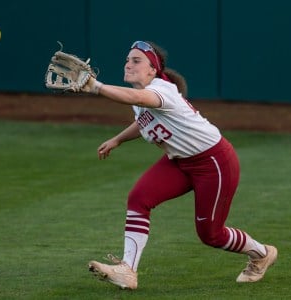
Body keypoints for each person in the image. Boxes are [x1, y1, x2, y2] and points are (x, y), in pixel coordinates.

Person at [81, 41, 277, 290]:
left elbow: (137, 97)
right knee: (139, 198)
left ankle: (262, 254)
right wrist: (118, 139)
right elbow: (143, 120)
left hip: (214, 162)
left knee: (211, 234)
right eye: (127, 59)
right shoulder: (143, 96)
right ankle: (127, 271)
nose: (128, 64)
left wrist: (96, 86)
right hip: (180, 161)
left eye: (136, 60)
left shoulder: (162, 90)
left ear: (153, 70)